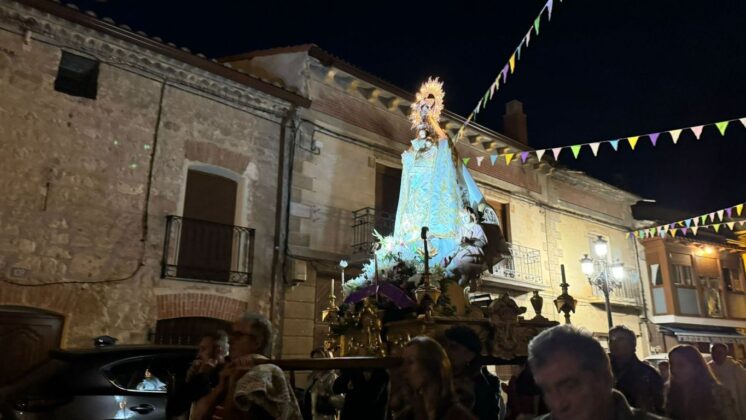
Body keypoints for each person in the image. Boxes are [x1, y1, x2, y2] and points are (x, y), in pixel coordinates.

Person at [528, 325, 664, 420]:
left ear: (604, 378)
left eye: (569, 386)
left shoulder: (647, 374)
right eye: (547, 390)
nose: (557, 404)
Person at [191, 312, 300, 420]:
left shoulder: (261, 373)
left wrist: (233, 384)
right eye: (231, 334)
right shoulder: (231, 369)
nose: (230, 340)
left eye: (238, 335)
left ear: (257, 342)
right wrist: (221, 386)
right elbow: (197, 417)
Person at [398, 336, 476, 420]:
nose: (404, 369)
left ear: (430, 365)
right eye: (403, 363)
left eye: (410, 362)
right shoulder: (407, 415)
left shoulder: (458, 416)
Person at [442, 325, 502, 420]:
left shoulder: (485, 384)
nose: (446, 352)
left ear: (469, 354)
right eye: (445, 347)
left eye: (453, 348)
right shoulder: (442, 377)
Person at [665, 344, 738, 420]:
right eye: (671, 364)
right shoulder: (670, 391)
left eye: (681, 365)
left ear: (696, 367)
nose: (674, 370)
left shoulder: (717, 393)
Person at [608, 325, 664, 414]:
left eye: (620, 339)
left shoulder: (647, 374)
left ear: (632, 344)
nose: (613, 342)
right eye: (611, 339)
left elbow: (660, 407)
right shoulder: (601, 370)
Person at [707, 343, 746, 419]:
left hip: (732, 406)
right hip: (714, 407)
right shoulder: (708, 368)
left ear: (725, 353)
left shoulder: (735, 368)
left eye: (719, 352)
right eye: (713, 352)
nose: (716, 355)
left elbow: (742, 388)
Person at [302, 348, 342, 420]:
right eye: (314, 360)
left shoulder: (332, 378)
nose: (316, 364)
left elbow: (340, 401)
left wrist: (326, 396)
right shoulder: (311, 377)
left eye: (319, 360)